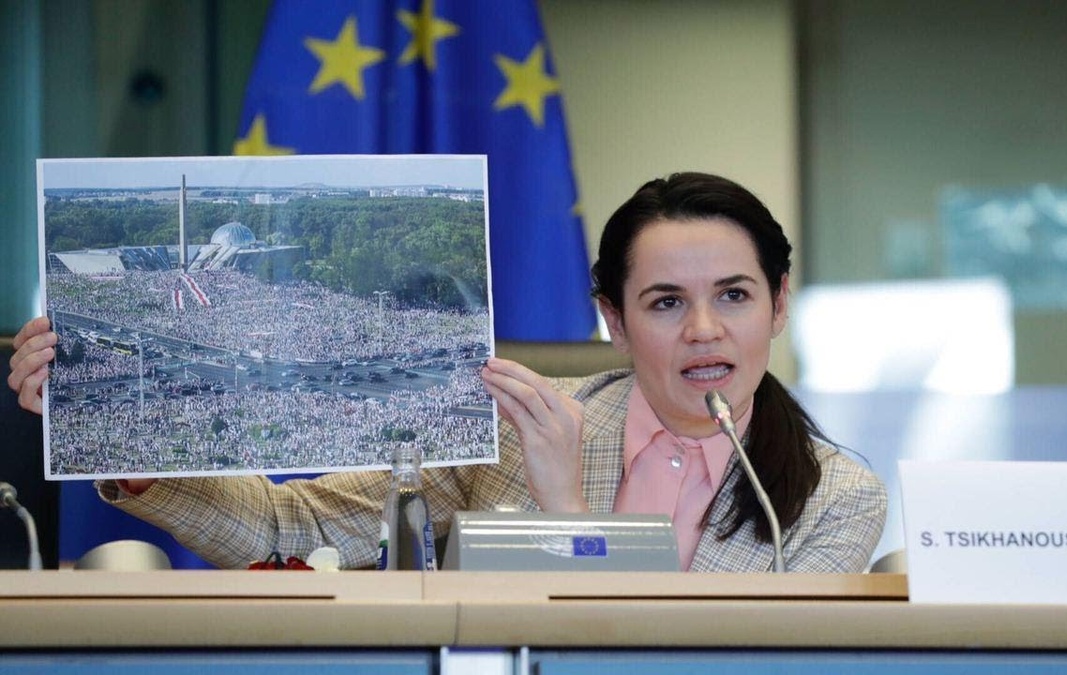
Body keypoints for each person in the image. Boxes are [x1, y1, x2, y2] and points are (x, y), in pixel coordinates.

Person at [8, 172, 886, 572]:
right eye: (665, 302)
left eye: (733, 294)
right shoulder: (512, 425)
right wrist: (113, 433)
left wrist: (567, 517)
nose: (703, 330)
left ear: (778, 302)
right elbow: (289, 526)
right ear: (613, 321)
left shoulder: (837, 498)